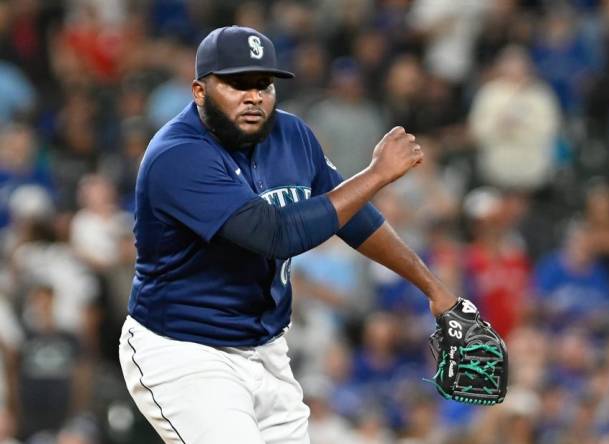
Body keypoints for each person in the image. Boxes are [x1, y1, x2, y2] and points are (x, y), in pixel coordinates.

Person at [117, 26, 459, 444]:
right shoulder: (177, 155)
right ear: (200, 91)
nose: (253, 97)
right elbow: (273, 234)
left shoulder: (292, 134)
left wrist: (434, 288)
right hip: (185, 351)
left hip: (267, 350)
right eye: (236, 84)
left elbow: (352, 217)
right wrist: (377, 175)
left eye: (263, 84)